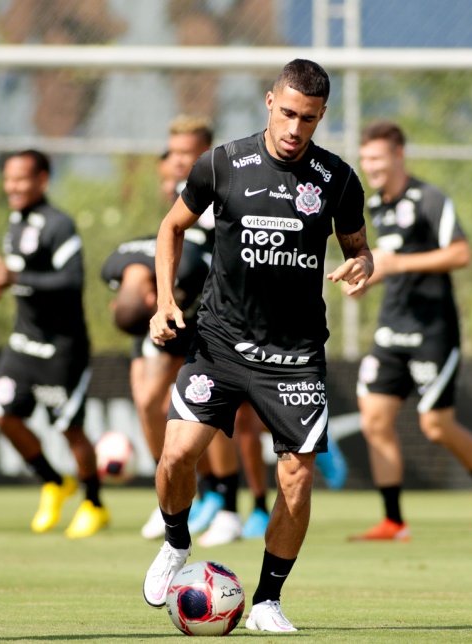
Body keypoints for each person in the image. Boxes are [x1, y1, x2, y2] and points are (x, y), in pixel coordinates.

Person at [142, 58, 372, 633]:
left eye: (310, 120)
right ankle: (175, 544)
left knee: (295, 479)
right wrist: (165, 301)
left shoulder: (338, 180)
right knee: (175, 456)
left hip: (294, 359)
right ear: (270, 102)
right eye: (289, 113)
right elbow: (171, 227)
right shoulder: (221, 164)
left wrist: (362, 264)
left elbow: (357, 246)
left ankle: (267, 600)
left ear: (322, 118)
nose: (296, 129)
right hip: (219, 345)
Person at [349, 120, 472, 542]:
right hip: (392, 329)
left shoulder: (429, 198)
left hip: (433, 332)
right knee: (375, 419)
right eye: (365, 158)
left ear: (399, 155)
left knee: (436, 427)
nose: (371, 166)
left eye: (378, 158)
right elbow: (387, 261)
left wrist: (398, 264)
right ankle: (394, 521)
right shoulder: (376, 206)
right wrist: (367, 280)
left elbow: (460, 252)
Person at [0, 149, 106, 538]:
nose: (12, 186)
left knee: (70, 429)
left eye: (21, 179)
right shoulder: (16, 221)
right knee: (3, 413)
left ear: (42, 181)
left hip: (61, 348)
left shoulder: (59, 225)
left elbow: (71, 282)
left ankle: (93, 503)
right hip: (23, 343)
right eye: (8, 179)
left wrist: (16, 277)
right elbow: (24, 276)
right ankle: (54, 481)